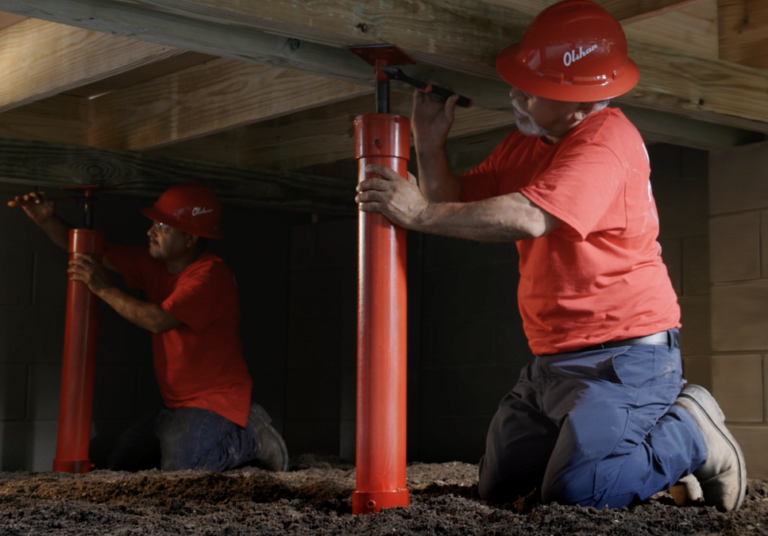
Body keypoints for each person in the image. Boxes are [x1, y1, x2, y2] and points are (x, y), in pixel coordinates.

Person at [355, 0, 745, 511]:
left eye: (535, 89)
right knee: (502, 491)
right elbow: (453, 198)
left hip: (623, 358)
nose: (516, 92)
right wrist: (429, 145)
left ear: (581, 103)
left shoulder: (606, 143)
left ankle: (694, 431)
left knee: (578, 494)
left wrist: (419, 216)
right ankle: (634, 459)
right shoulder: (530, 142)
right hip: (551, 366)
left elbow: (529, 216)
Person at [16, 182, 289, 473]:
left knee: (184, 470)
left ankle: (252, 436)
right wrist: (46, 219)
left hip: (214, 401)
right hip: (173, 405)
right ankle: (187, 437)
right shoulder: (155, 264)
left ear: (190, 238)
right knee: (121, 465)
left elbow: (158, 321)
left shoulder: (210, 276)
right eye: (154, 224)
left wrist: (103, 288)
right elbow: (91, 251)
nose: (151, 232)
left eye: (164, 227)